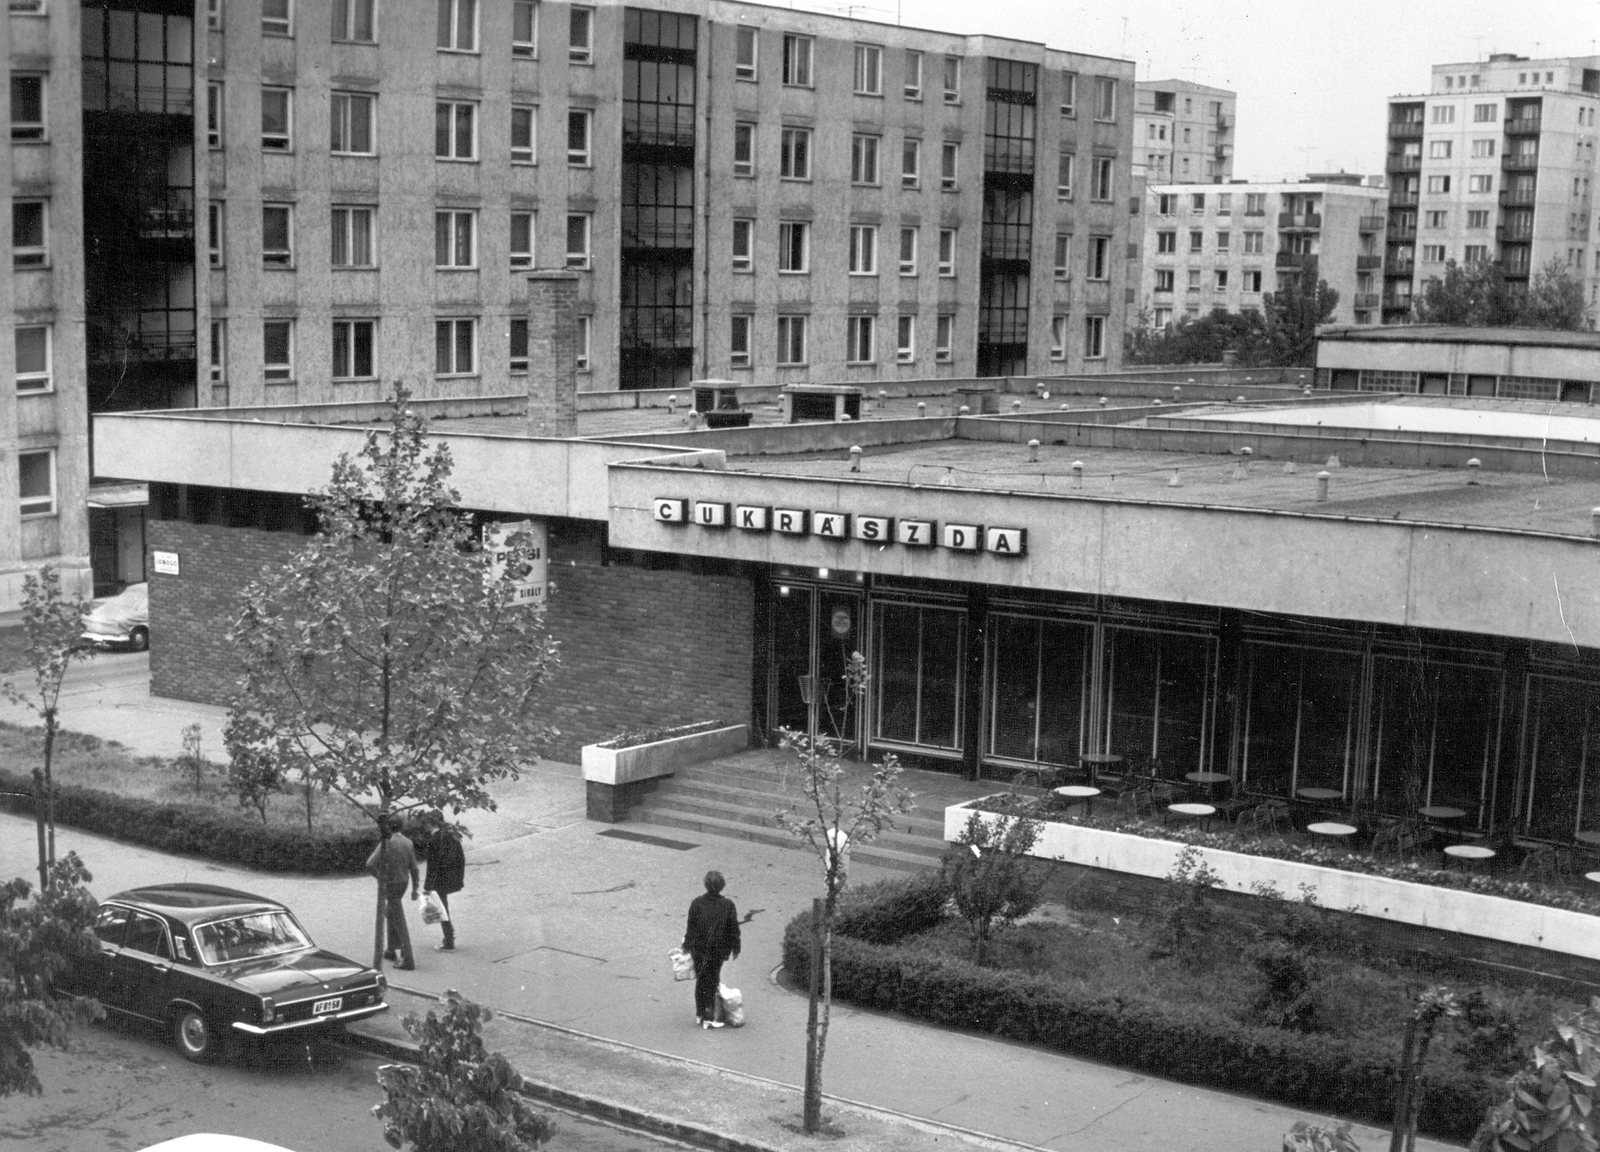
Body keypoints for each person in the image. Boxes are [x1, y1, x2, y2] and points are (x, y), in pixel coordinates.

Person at [681, 870, 740, 1029]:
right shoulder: (728, 905)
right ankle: (709, 1017)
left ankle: (700, 1014)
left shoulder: (697, 903)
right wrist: (735, 947)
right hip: (717, 950)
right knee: (712, 980)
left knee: (701, 979)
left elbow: (691, 927)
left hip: (698, 949)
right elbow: (733, 928)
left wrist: (686, 946)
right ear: (721, 885)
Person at [365, 814, 419, 970]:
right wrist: (415, 888)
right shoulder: (408, 843)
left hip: (391, 884)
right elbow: (414, 868)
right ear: (402, 827)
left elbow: (370, 864)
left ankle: (408, 958)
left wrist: (380, 879)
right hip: (404, 883)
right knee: (390, 913)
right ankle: (390, 950)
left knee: (398, 920)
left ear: (388, 827)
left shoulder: (387, 843)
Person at [419, 810, 466, 952]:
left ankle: (449, 940)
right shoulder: (452, 835)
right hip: (451, 877)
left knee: (442, 908)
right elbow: (461, 857)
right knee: (444, 907)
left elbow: (432, 866)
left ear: (430, 823)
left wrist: (427, 886)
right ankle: (449, 936)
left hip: (439, 880)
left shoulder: (433, 841)